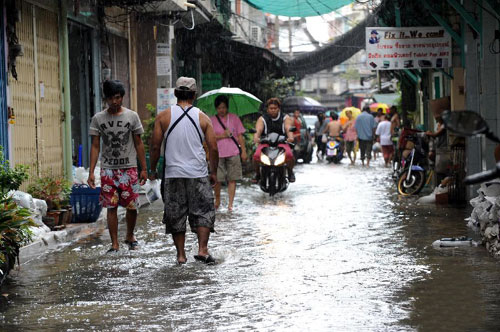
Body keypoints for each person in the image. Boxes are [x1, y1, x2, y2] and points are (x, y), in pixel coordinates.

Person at [149, 77, 219, 265]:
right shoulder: (203, 117)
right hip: (198, 173)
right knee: (203, 211)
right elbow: (213, 147)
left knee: (175, 213)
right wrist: (213, 171)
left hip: (173, 174)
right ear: (194, 95)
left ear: (175, 93)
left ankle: (181, 255)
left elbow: (155, 147)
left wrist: (152, 170)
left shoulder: (163, 117)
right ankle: (202, 249)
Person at [88, 80, 147, 252]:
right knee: (111, 206)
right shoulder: (98, 119)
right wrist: (92, 171)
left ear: (122, 97)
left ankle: (130, 234)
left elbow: (139, 143)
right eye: (111, 98)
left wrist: (144, 168)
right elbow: (95, 146)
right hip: (108, 169)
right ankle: (114, 243)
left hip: (129, 168)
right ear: (105, 99)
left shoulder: (132, 116)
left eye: (118, 98)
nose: (115, 102)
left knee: (132, 206)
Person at [210, 95, 247, 211]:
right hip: (218, 153)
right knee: (217, 179)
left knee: (232, 178)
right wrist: (222, 135)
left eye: (224, 107)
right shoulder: (211, 120)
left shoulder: (234, 118)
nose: (222, 110)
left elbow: (240, 136)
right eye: (220, 108)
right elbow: (209, 137)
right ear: (216, 108)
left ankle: (230, 204)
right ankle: (217, 200)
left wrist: (244, 151)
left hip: (233, 152)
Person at [253, 98, 295, 183]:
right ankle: (257, 173)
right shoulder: (262, 119)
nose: (273, 110)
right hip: (266, 143)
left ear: (278, 108)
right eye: (271, 108)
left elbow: (288, 128)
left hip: (281, 142)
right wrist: (256, 137)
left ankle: (290, 171)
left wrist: (290, 137)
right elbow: (258, 129)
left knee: (290, 155)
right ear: (267, 109)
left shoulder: (285, 118)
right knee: (256, 156)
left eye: (275, 108)